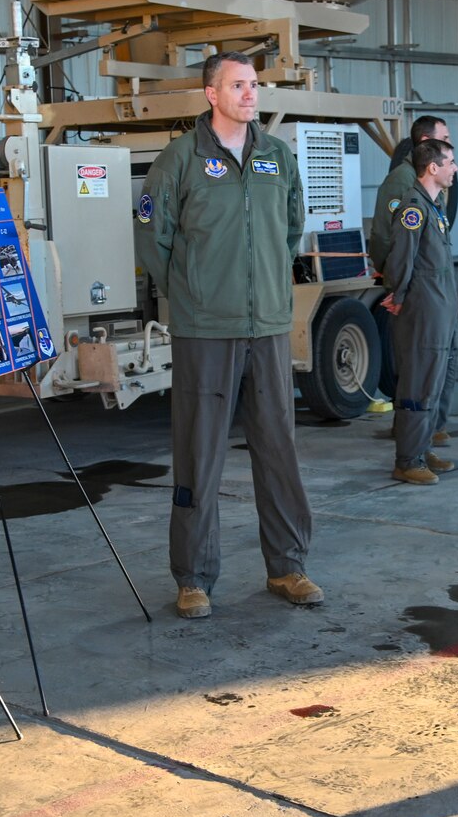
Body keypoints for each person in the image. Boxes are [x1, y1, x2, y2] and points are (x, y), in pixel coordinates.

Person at [135, 50, 320, 620]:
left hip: (265, 326)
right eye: (238, 85)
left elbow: (291, 228)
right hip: (204, 331)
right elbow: (153, 241)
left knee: (278, 450)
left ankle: (287, 567)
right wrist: (193, 295)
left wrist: (265, 285)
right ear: (211, 94)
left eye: (254, 84)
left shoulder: (277, 157)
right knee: (199, 453)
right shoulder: (179, 161)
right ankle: (193, 577)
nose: (250, 94)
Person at [368, 114, 458, 419]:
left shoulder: (431, 188)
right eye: (444, 138)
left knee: (443, 363)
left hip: (438, 290)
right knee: (419, 370)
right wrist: (396, 286)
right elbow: (385, 237)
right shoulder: (404, 183)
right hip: (420, 292)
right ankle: (413, 442)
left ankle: (433, 430)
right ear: (427, 144)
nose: (449, 144)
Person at [380, 138, 458, 485]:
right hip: (423, 308)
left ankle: (423, 447)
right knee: (418, 381)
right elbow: (401, 259)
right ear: (433, 167)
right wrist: (396, 293)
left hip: (439, 305)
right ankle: (407, 459)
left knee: (433, 381)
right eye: (451, 162)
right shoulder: (414, 207)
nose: (454, 168)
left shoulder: (432, 206)